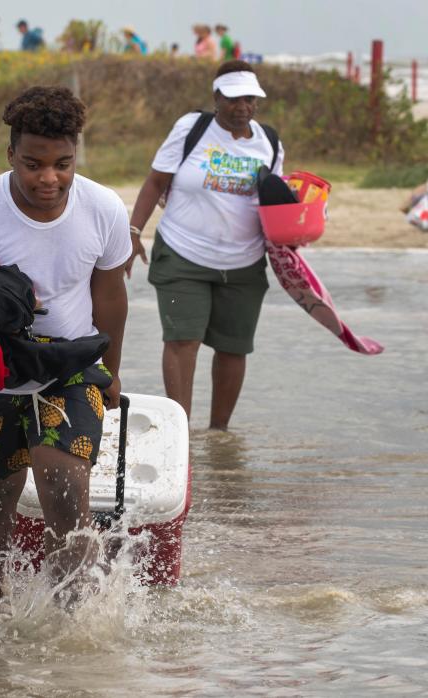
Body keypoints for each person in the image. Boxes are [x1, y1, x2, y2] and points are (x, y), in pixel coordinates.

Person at [0, 86, 132, 605]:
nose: (49, 179)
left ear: (76, 155)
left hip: (71, 367)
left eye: (63, 163)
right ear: (11, 154)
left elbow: (112, 298)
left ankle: (71, 620)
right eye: (33, 163)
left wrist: (113, 371)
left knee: (63, 482)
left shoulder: (103, 208)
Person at [125, 60, 284, 430]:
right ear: (216, 97)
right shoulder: (191, 129)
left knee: (234, 348)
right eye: (233, 98)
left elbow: (274, 203)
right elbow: (154, 182)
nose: (243, 106)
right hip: (183, 256)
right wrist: (133, 234)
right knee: (183, 341)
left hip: (244, 263)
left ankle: (219, 436)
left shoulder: (270, 143)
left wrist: (293, 238)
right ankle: (178, 433)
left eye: (250, 98)